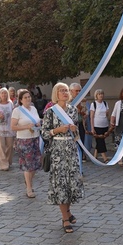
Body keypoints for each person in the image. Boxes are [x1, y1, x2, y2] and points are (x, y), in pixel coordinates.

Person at [41, 83, 84, 233]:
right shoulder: (50, 112)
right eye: (61, 91)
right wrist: (57, 130)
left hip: (71, 150)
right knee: (60, 184)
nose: (65, 93)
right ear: (56, 94)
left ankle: (68, 212)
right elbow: (44, 133)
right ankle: (65, 218)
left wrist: (74, 129)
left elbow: (77, 134)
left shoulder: (73, 110)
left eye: (66, 90)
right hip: (58, 152)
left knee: (71, 183)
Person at [11, 89, 42, 198]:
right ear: (20, 100)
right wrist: (26, 126)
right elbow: (13, 127)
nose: (28, 99)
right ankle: (29, 187)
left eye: (29, 97)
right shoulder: (17, 111)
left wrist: (38, 123)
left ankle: (28, 181)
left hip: (35, 138)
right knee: (28, 165)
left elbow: (37, 121)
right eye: (25, 97)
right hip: (24, 140)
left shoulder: (33, 109)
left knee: (36, 164)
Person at [0, 88, 15, 171]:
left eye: (5, 93)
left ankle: (7, 161)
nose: (3, 95)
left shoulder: (10, 103)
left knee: (10, 146)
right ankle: (3, 164)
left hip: (9, 127)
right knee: (1, 147)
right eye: (2, 93)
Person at [89, 89, 110, 163]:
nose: (101, 95)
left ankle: (95, 156)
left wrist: (107, 113)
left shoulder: (105, 103)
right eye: (99, 94)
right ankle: (105, 158)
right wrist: (92, 128)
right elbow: (91, 117)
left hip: (104, 124)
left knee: (100, 140)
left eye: (102, 94)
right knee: (100, 141)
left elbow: (107, 115)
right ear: (96, 96)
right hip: (97, 125)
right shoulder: (93, 104)